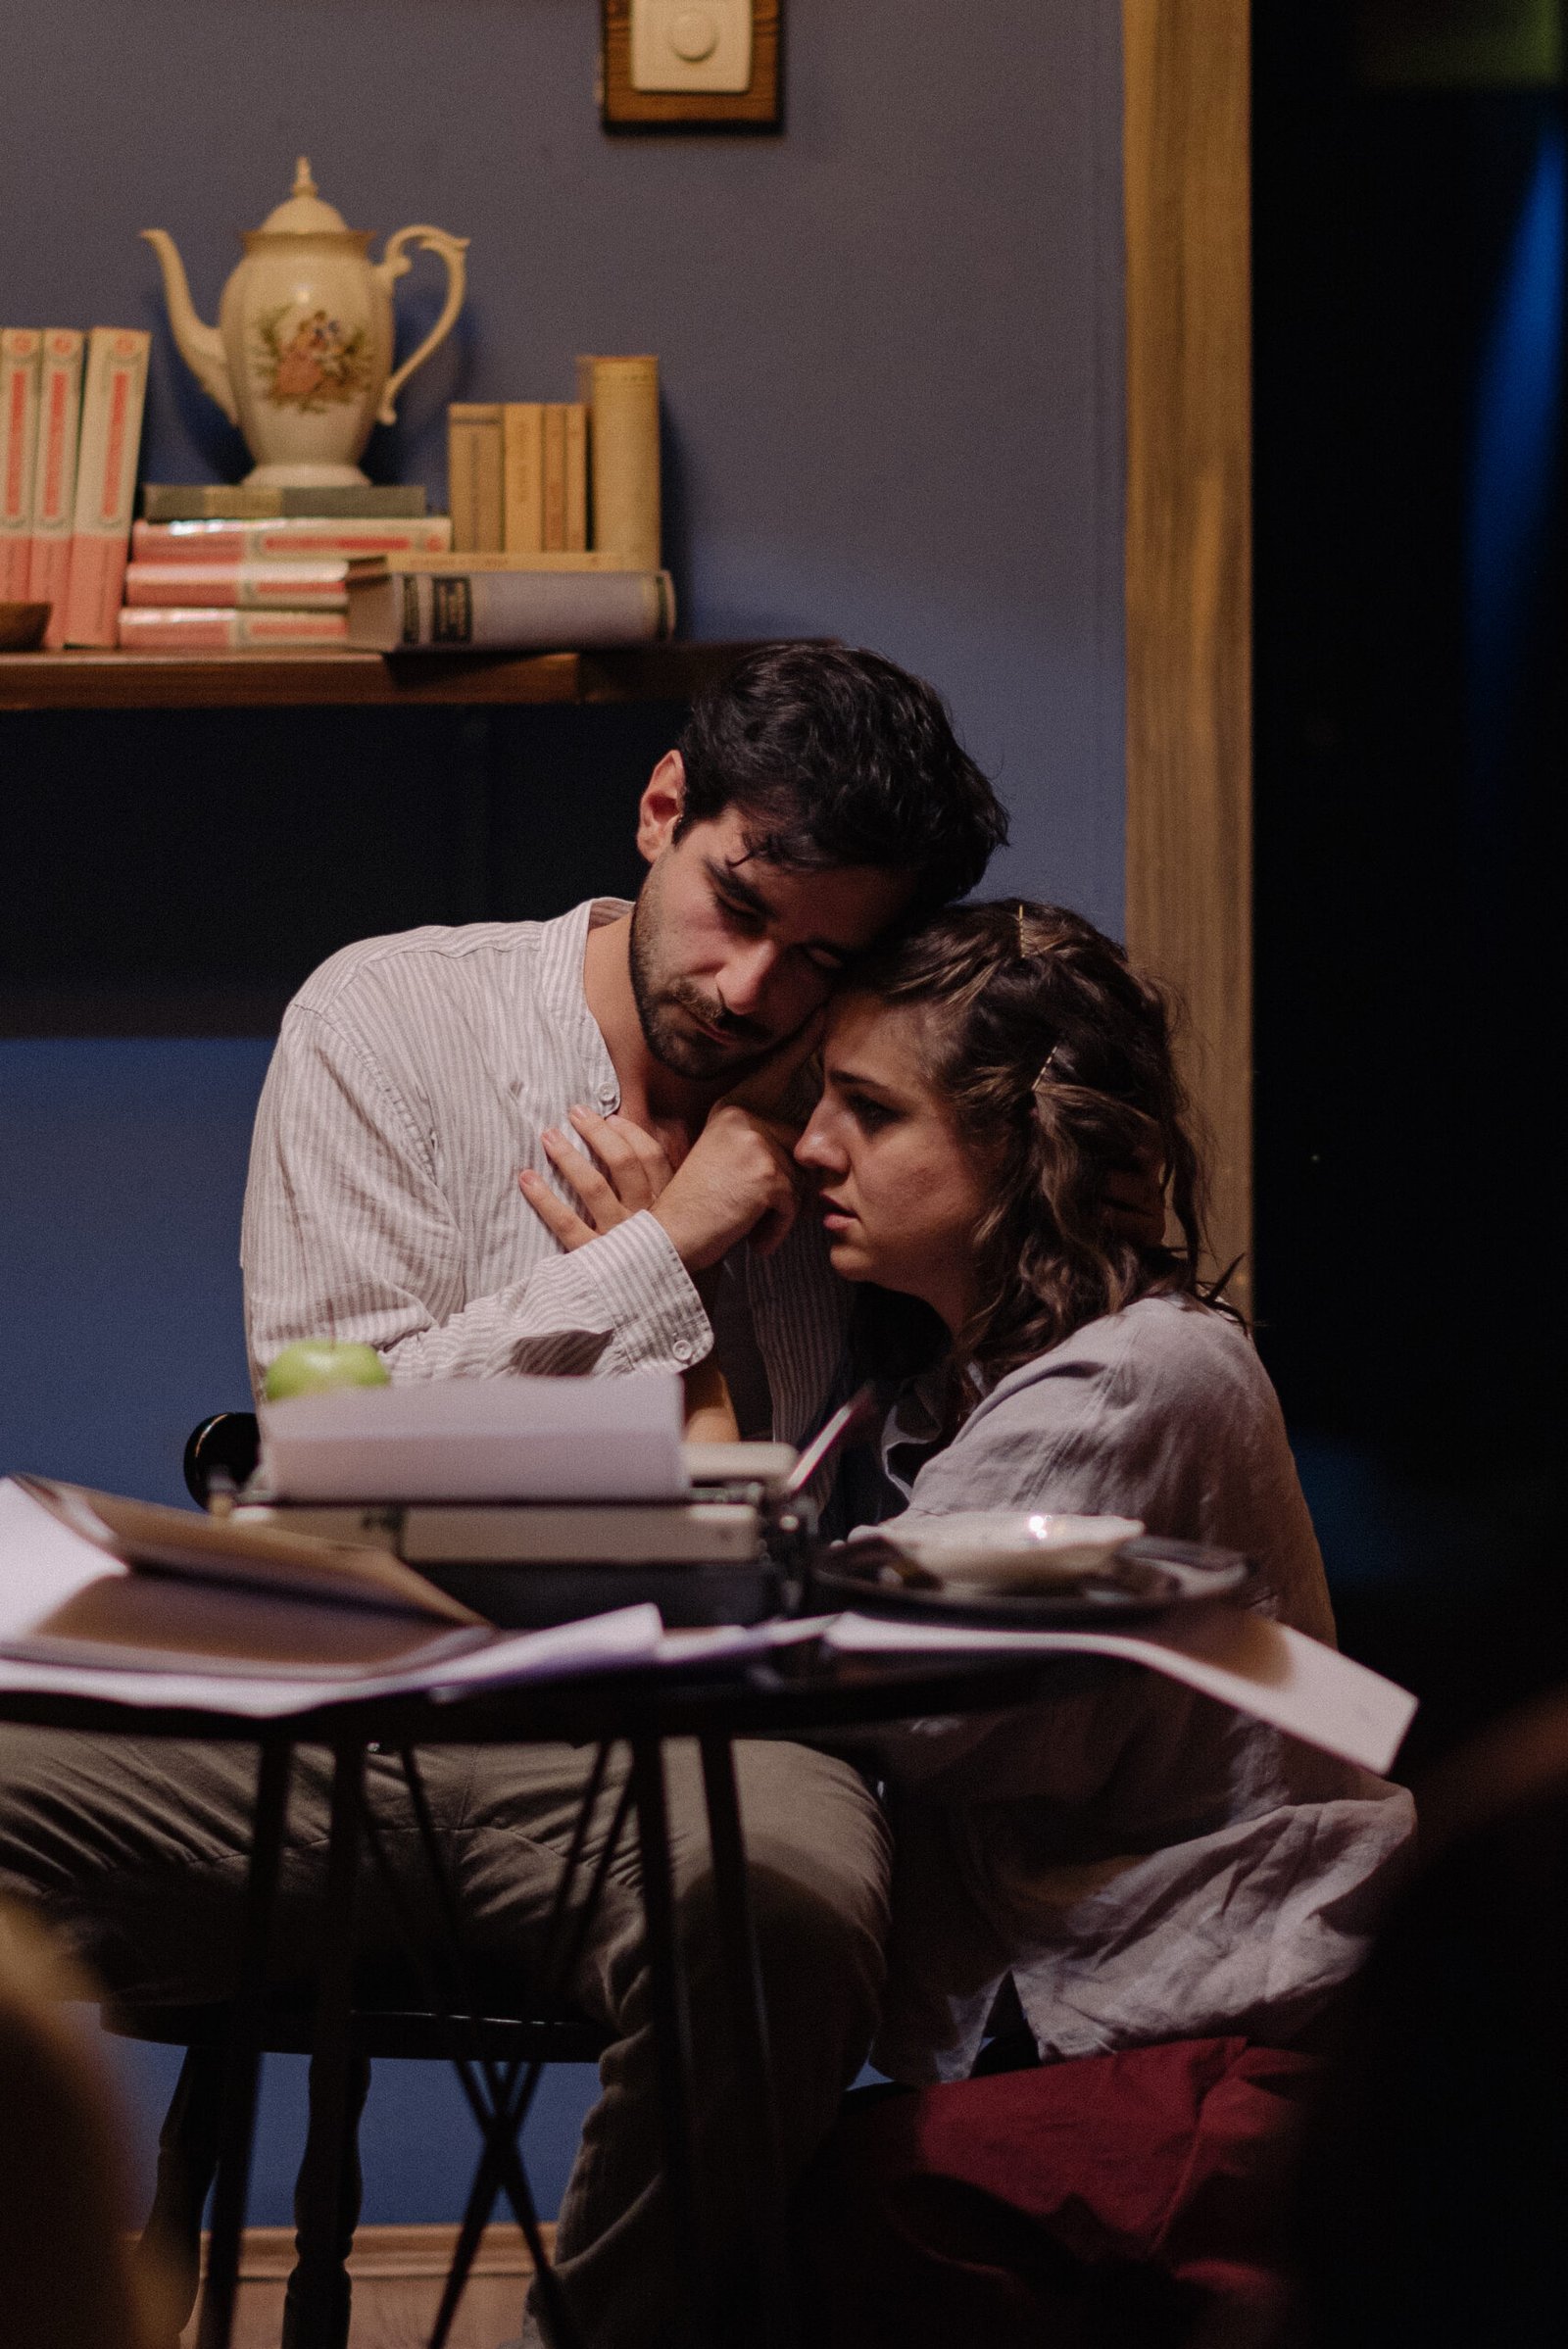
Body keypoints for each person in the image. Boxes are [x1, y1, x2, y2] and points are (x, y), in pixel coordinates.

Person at [0, 644, 1028, 2349]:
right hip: (333, 1722)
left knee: (791, 1903)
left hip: (688, 1751)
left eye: (823, 957)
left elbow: (883, 1497)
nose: (755, 988)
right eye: (738, 905)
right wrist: (663, 1247)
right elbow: (328, 1453)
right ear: (663, 808)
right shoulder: (390, 1016)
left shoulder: (857, 1120)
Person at [766, 900, 1415, 2348]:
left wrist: (691, 1380)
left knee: (831, 2202)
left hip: (1219, 2034)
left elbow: (901, 1688)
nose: (812, 1146)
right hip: (1167, 2004)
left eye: (870, 1109)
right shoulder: (1003, 1380)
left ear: (1016, 1146)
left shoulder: (1126, 1380)